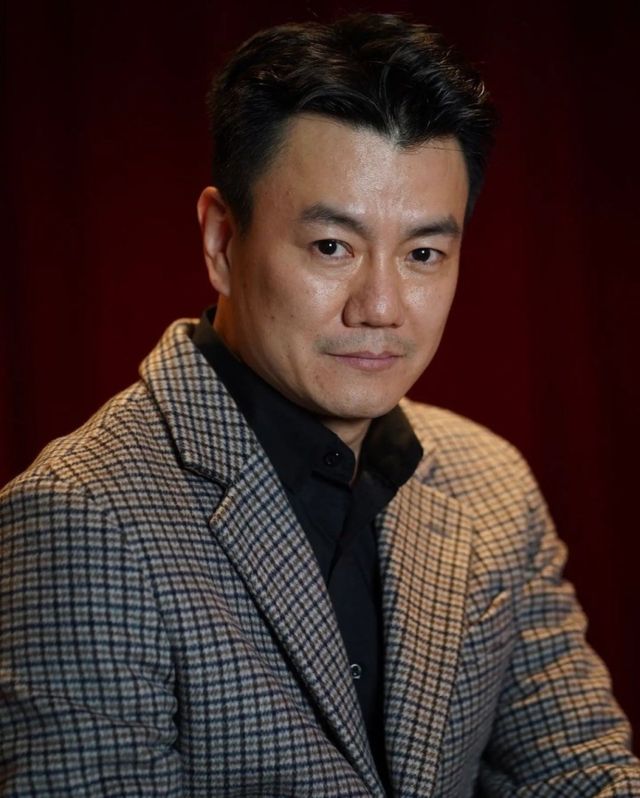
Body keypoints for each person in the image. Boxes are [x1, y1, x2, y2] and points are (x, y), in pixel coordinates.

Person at [1, 12, 638, 797]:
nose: (381, 307)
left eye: (424, 254)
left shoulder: (490, 481)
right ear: (221, 241)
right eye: (332, 247)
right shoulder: (80, 517)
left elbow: (581, 771)